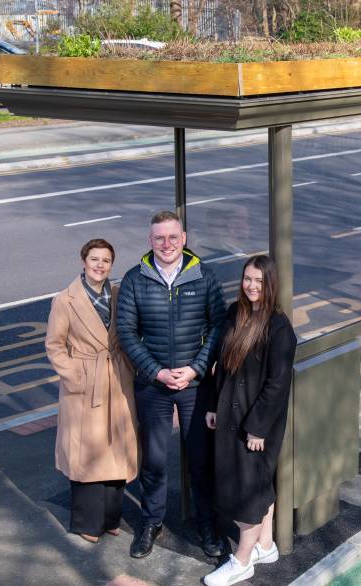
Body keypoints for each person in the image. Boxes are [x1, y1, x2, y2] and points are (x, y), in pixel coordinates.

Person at [117, 210, 228, 559]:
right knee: (154, 460)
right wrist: (156, 371)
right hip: (154, 385)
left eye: (173, 237)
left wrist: (195, 369)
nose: (166, 244)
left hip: (194, 386)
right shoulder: (135, 279)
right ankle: (151, 522)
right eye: (159, 238)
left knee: (200, 459)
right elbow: (126, 332)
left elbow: (218, 327)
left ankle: (206, 524)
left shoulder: (204, 276)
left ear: (184, 238)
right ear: (150, 241)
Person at [203, 255, 296, 586]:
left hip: (256, 425)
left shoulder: (279, 327)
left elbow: (278, 383)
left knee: (248, 491)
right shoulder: (235, 313)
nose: (251, 286)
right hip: (230, 413)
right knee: (256, 485)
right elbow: (221, 364)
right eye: (247, 279)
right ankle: (266, 546)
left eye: (258, 281)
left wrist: (257, 427)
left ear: (270, 284)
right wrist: (214, 405)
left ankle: (242, 561)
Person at [45, 239, 139, 544]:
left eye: (106, 260)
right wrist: (75, 375)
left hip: (117, 377)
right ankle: (87, 522)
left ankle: (111, 517)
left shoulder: (117, 293)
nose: (100, 265)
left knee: (116, 449)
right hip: (86, 382)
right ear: (83, 261)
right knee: (87, 454)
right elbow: (55, 345)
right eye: (94, 259)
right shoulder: (66, 300)